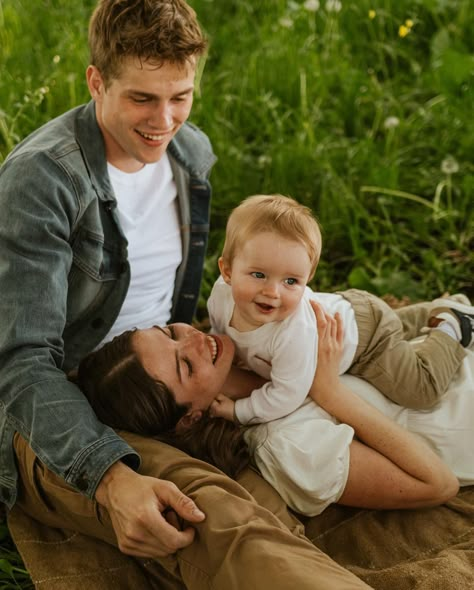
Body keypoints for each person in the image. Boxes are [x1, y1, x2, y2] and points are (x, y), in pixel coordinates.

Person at [0, 1, 374, 588]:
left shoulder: (187, 153)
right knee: (208, 515)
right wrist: (110, 478)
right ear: (96, 81)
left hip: (176, 369)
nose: (165, 119)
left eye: (181, 96)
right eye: (142, 98)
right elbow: (21, 363)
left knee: (347, 357)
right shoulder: (42, 181)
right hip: (76, 400)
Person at [74, 305, 468, 521]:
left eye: (170, 333)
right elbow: (436, 484)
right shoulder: (290, 450)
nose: (195, 339)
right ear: (191, 417)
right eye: (185, 367)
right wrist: (328, 391)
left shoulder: (252, 344)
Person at [207, 194, 474, 425]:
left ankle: (453, 325)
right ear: (227, 271)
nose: (272, 292)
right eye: (258, 274)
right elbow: (220, 330)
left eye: (291, 281)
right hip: (350, 311)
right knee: (394, 327)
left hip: (364, 345)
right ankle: (428, 311)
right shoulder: (221, 296)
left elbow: (287, 394)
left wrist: (240, 410)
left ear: (307, 278)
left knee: (420, 390)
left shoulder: (292, 333)